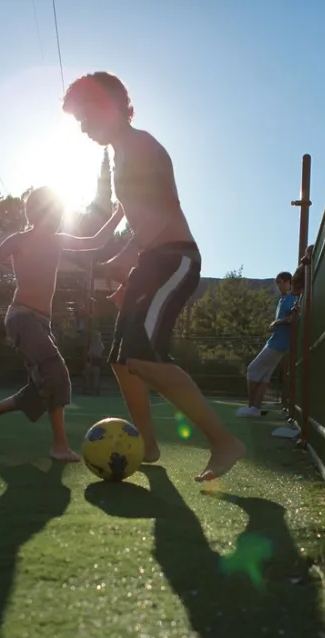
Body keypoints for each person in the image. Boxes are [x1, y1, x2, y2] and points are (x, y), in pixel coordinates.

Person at [62, 71, 246, 482]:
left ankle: (223, 441)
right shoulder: (118, 158)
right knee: (122, 362)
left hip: (174, 260)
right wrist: (110, 261)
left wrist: (128, 265)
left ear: (110, 105)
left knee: (143, 358)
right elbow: (121, 225)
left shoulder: (142, 146)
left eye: (86, 116)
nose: (84, 128)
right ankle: (147, 444)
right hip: (152, 261)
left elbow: (162, 213)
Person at [0, 186, 125, 462]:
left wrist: (118, 214)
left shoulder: (58, 240)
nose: (56, 216)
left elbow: (95, 240)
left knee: (40, 385)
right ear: (34, 213)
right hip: (21, 317)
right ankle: (59, 445)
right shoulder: (18, 240)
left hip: (41, 323)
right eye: (51, 210)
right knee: (56, 371)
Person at [237, 271, 297, 417]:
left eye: (281, 282)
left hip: (278, 344)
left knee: (252, 369)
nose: (279, 285)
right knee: (264, 375)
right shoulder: (282, 300)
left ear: (289, 283)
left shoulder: (291, 299)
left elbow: (293, 317)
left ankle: (252, 407)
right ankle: (255, 409)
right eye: (278, 282)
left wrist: (276, 322)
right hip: (279, 343)